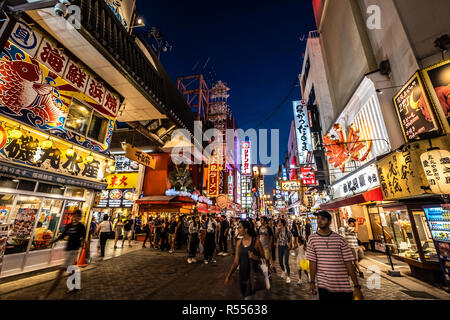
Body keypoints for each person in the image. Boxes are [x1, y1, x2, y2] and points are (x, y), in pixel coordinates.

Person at [307, 211, 364, 301]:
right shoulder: (312, 239)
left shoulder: (340, 240)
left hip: (343, 286)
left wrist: (356, 286)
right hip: (323, 286)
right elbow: (312, 262)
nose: (319, 221)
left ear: (329, 222)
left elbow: (349, 264)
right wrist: (312, 282)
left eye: (323, 219)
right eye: (318, 218)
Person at [41, 210, 86, 299]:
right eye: (75, 216)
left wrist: (85, 249)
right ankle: (75, 286)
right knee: (70, 269)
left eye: (79, 216)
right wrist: (52, 241)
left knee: (60, 272)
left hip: (74, 251)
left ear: (80, 217)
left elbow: (83, 238)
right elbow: (62, 236)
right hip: (68, 250)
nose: (77, 218)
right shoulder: (69, 226)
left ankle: (46, 296)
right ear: (72, 216)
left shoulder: (81, 227)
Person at [225, 220, 266, 300]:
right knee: (245, 296)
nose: (238, 229)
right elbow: (236, 262)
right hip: (242, 276)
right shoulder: (239, 243)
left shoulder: (256, 242)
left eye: (240, 227)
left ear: (246, 229)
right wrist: (229, 275)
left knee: (248, 298)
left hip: (252, 276)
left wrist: (255, 257)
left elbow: (264, 260)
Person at [275, 219, 293, 284]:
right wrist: (277, 231)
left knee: (286, 262)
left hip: (286, 246)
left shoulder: (286, 229)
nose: (278, 223)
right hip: (280, 246)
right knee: (280, 261)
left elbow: (291, 236)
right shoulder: (278, 229)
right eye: (278, 222)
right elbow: (276, 237)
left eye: (279, 222)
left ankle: (288, 277)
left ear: (282, 223)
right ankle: (283, 270)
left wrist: (289, 244)